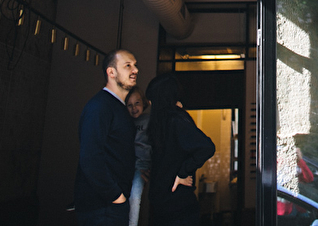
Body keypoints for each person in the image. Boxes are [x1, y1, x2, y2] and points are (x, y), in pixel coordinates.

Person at [74, 49, 139, 226]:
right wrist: (116, 196)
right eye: (127, 66)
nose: (135, 70)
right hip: (102, 208)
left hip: (111, 206)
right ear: (111, 72)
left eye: (135, 65)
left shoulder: (118, 108)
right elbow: (90, 158)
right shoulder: (100, 106)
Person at [146, 73, 215, 226]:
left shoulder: (175, 120)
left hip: (176, 206)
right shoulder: (166, 120)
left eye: (152, 99)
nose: (150, 104)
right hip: (167, 205)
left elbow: (207, 147)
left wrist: (183, 172)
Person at [125, 85, 151, 226]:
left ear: (143, 103)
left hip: (142, 165)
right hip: (127, 163)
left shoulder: (149, 119)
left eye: (137, 103)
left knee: (135, 197)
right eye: (129, 105)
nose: (134, 108)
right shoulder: (125, 121)